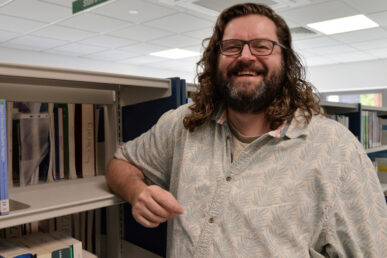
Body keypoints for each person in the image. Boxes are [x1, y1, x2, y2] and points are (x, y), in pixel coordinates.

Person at [106, 3, 387, 257]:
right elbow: (120, 163)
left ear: (286, 61)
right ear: (215, 59)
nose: (245, 56)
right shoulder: (182, 125)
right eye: (232, 46)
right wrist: (136, 192)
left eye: (262, 46)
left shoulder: (335, 149)